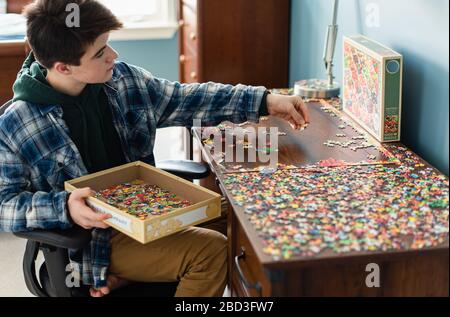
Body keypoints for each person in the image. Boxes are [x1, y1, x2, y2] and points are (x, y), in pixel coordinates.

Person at [0, 0, 310, 297]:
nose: (113, 55)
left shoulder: (122, 81)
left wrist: (265, 101)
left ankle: (130, 275)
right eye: (99, 53)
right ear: (63, 67)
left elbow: (187, 99)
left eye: (108, 43)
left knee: (243, 217)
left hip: (148, 215)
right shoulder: (17, 123)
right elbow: (5, 205)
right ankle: (124, 272)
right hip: (97, 241)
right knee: (210, 252)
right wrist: (64, 206)